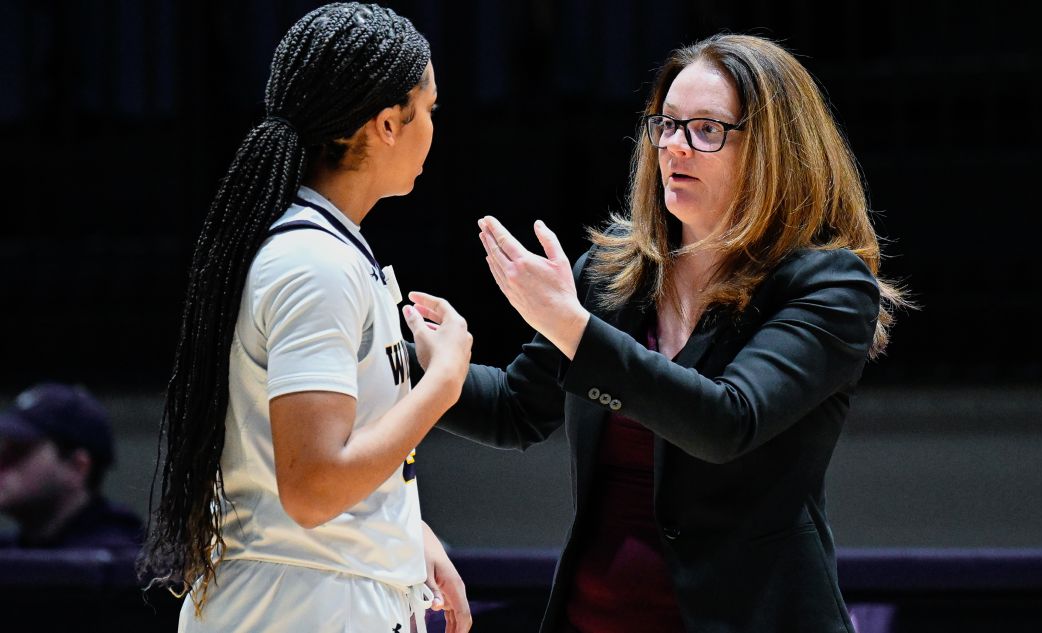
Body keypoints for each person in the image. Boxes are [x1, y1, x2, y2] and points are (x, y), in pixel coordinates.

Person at [411, 34, 910, 632]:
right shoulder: (613, 275)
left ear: (774, 150)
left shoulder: (825, 285)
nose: (675, 147)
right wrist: (412, 360)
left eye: (706, 129)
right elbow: (518, 408)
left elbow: (728, 421)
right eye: (667, 125)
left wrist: (572, 327)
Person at [136, 4, 473, 632]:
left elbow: (305, 463)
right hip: (300, 608)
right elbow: (313, 487)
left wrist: (407, 534)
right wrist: (443, 383)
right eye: (428, 109)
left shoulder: (324, 247)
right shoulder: (313, 262)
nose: (434, 127)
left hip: (312, 596)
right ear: (386, 126)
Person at [0, 382, 143, 551]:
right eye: (4, 450)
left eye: (19, 451)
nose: (2, 463)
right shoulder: (14, 550)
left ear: (78, 466)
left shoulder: (121, 561)